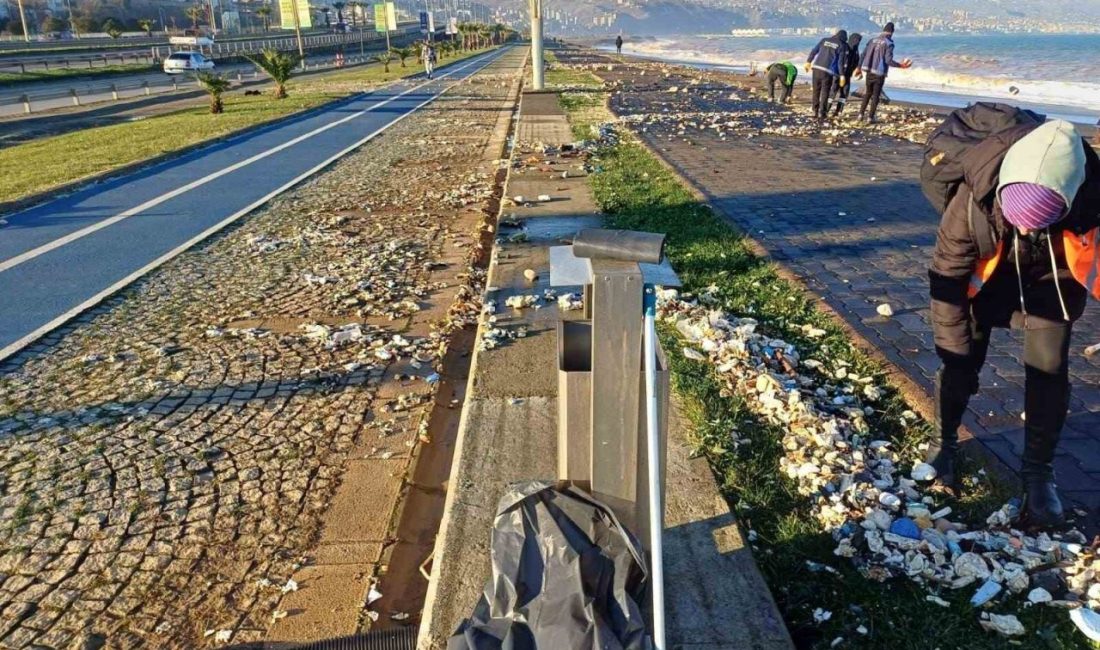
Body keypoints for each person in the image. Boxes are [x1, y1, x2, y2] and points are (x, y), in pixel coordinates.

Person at [926, 116, 1100, 529]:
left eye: (1037, 222)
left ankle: (1038, 474)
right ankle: (943, 442)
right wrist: (953, 346)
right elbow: (946, 280)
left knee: (1049, 374)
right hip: (983, 284)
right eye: (1016, 218)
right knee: (960, 362)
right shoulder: (972, 199)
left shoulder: (1093, 198)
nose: (1024, 228)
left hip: (1050, 286)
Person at [858, 22, 911, 123]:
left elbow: (863, 54)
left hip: (868, 71)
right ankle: (870, 117)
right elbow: (888, 61)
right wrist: (901, 65)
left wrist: (859, 67)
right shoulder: (889, 43)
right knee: (876, 95)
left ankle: (860, 115)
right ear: (892, 32)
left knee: (868, 93)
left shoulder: (872, 40)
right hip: (879, 73)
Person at [805, 29, 849, 122]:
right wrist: (842, 75)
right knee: (825, 92)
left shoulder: (824, 40)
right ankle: (822, 112)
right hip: (827, 71)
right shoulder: (842, 45)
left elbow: (814, 51)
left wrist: (808, 62)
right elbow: (840, 62)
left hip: (816, 68)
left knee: (816, 91)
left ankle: (814, 111)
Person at [830, 32, 862, 116]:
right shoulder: (845, 48)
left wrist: (858, 71)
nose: (858, 43)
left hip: (848, 76)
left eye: (859, 41)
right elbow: (840, 62)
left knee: (844, 94)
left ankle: (838, 111)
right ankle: (826, 109)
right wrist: (841, 75)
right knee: (833, 92)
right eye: (857, 41)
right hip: (838, 75)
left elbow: (857, 63)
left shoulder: (856, 51)